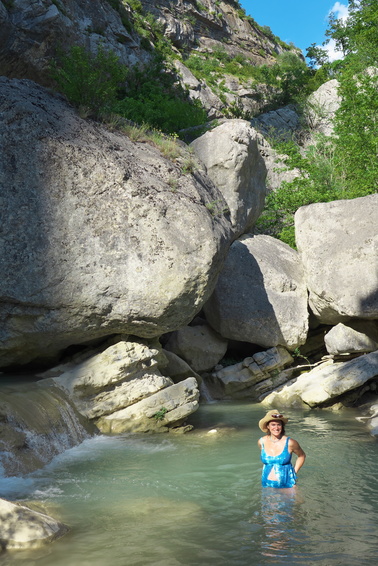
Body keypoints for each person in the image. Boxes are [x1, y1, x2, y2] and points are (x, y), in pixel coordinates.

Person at [257, 409, 306, 489]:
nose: (276, 428)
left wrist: (294, 473)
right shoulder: (261, 442)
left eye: (279, 425)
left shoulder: (290, 443)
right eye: (273, 425)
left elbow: (302, 456)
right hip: (267, 484)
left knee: (296, 501)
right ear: (268, 426)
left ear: (282, 426)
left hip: (287, 484)